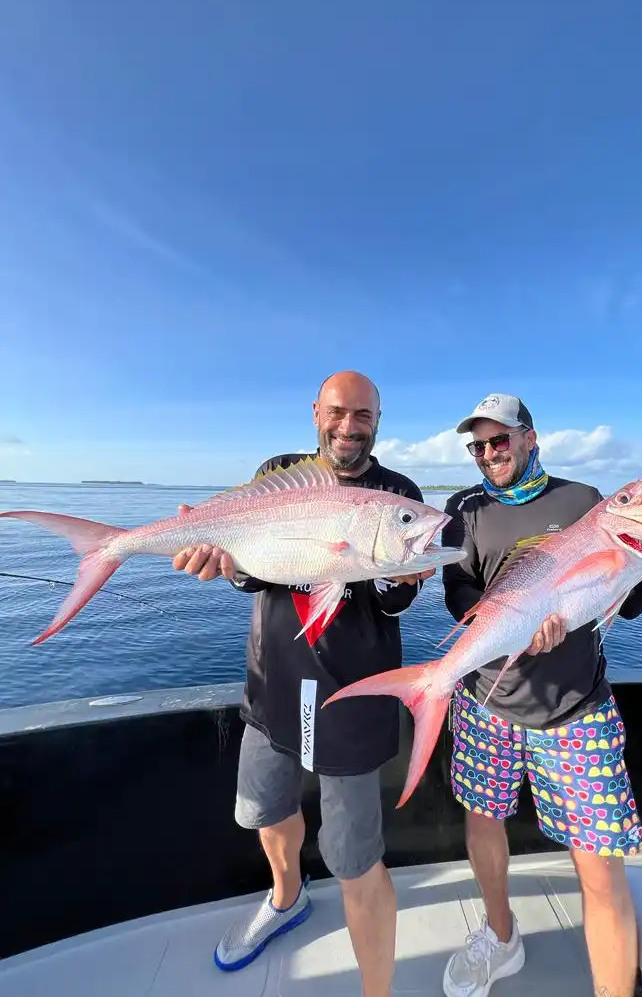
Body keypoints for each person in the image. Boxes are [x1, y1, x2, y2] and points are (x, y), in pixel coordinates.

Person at [172, 370, 436, 997]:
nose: (349, 427)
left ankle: (377, 989)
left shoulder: (398, 493)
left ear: (379, 420)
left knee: (355, 858)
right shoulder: (277, 470)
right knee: (266, 811)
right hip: (273, 685)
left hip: (352, 696)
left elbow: (397, 598)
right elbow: (253, 567)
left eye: (363, 416)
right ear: (316, 411)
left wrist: (401, 582)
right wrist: (228, 568)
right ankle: (285, 899)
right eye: (338, 412)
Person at [439, 392, 642, 997]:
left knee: (598, 863)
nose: (488, 454)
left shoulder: (584, 501)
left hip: (575, 710)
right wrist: (507, 620)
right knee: (483, 824)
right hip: (486, 701)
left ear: (530, 437)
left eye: (500, 440)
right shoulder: (464, 510)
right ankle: (500, 936)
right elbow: (457, 597)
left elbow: (628, 603)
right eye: (477, 446)